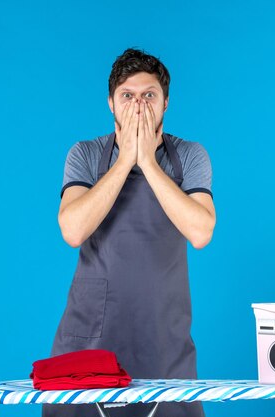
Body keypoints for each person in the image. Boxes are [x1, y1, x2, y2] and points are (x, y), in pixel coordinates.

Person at [43, 47, 216, 417]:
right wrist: (124, 161)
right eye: (128, 96)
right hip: (91, 336)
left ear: (166, 103)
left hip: (163, 338)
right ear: (111, 103)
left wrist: (149, 164)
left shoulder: (190, 156)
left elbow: (201, 232)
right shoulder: (85, 155)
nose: (139, 106)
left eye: (149, 96)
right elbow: (72, 230)